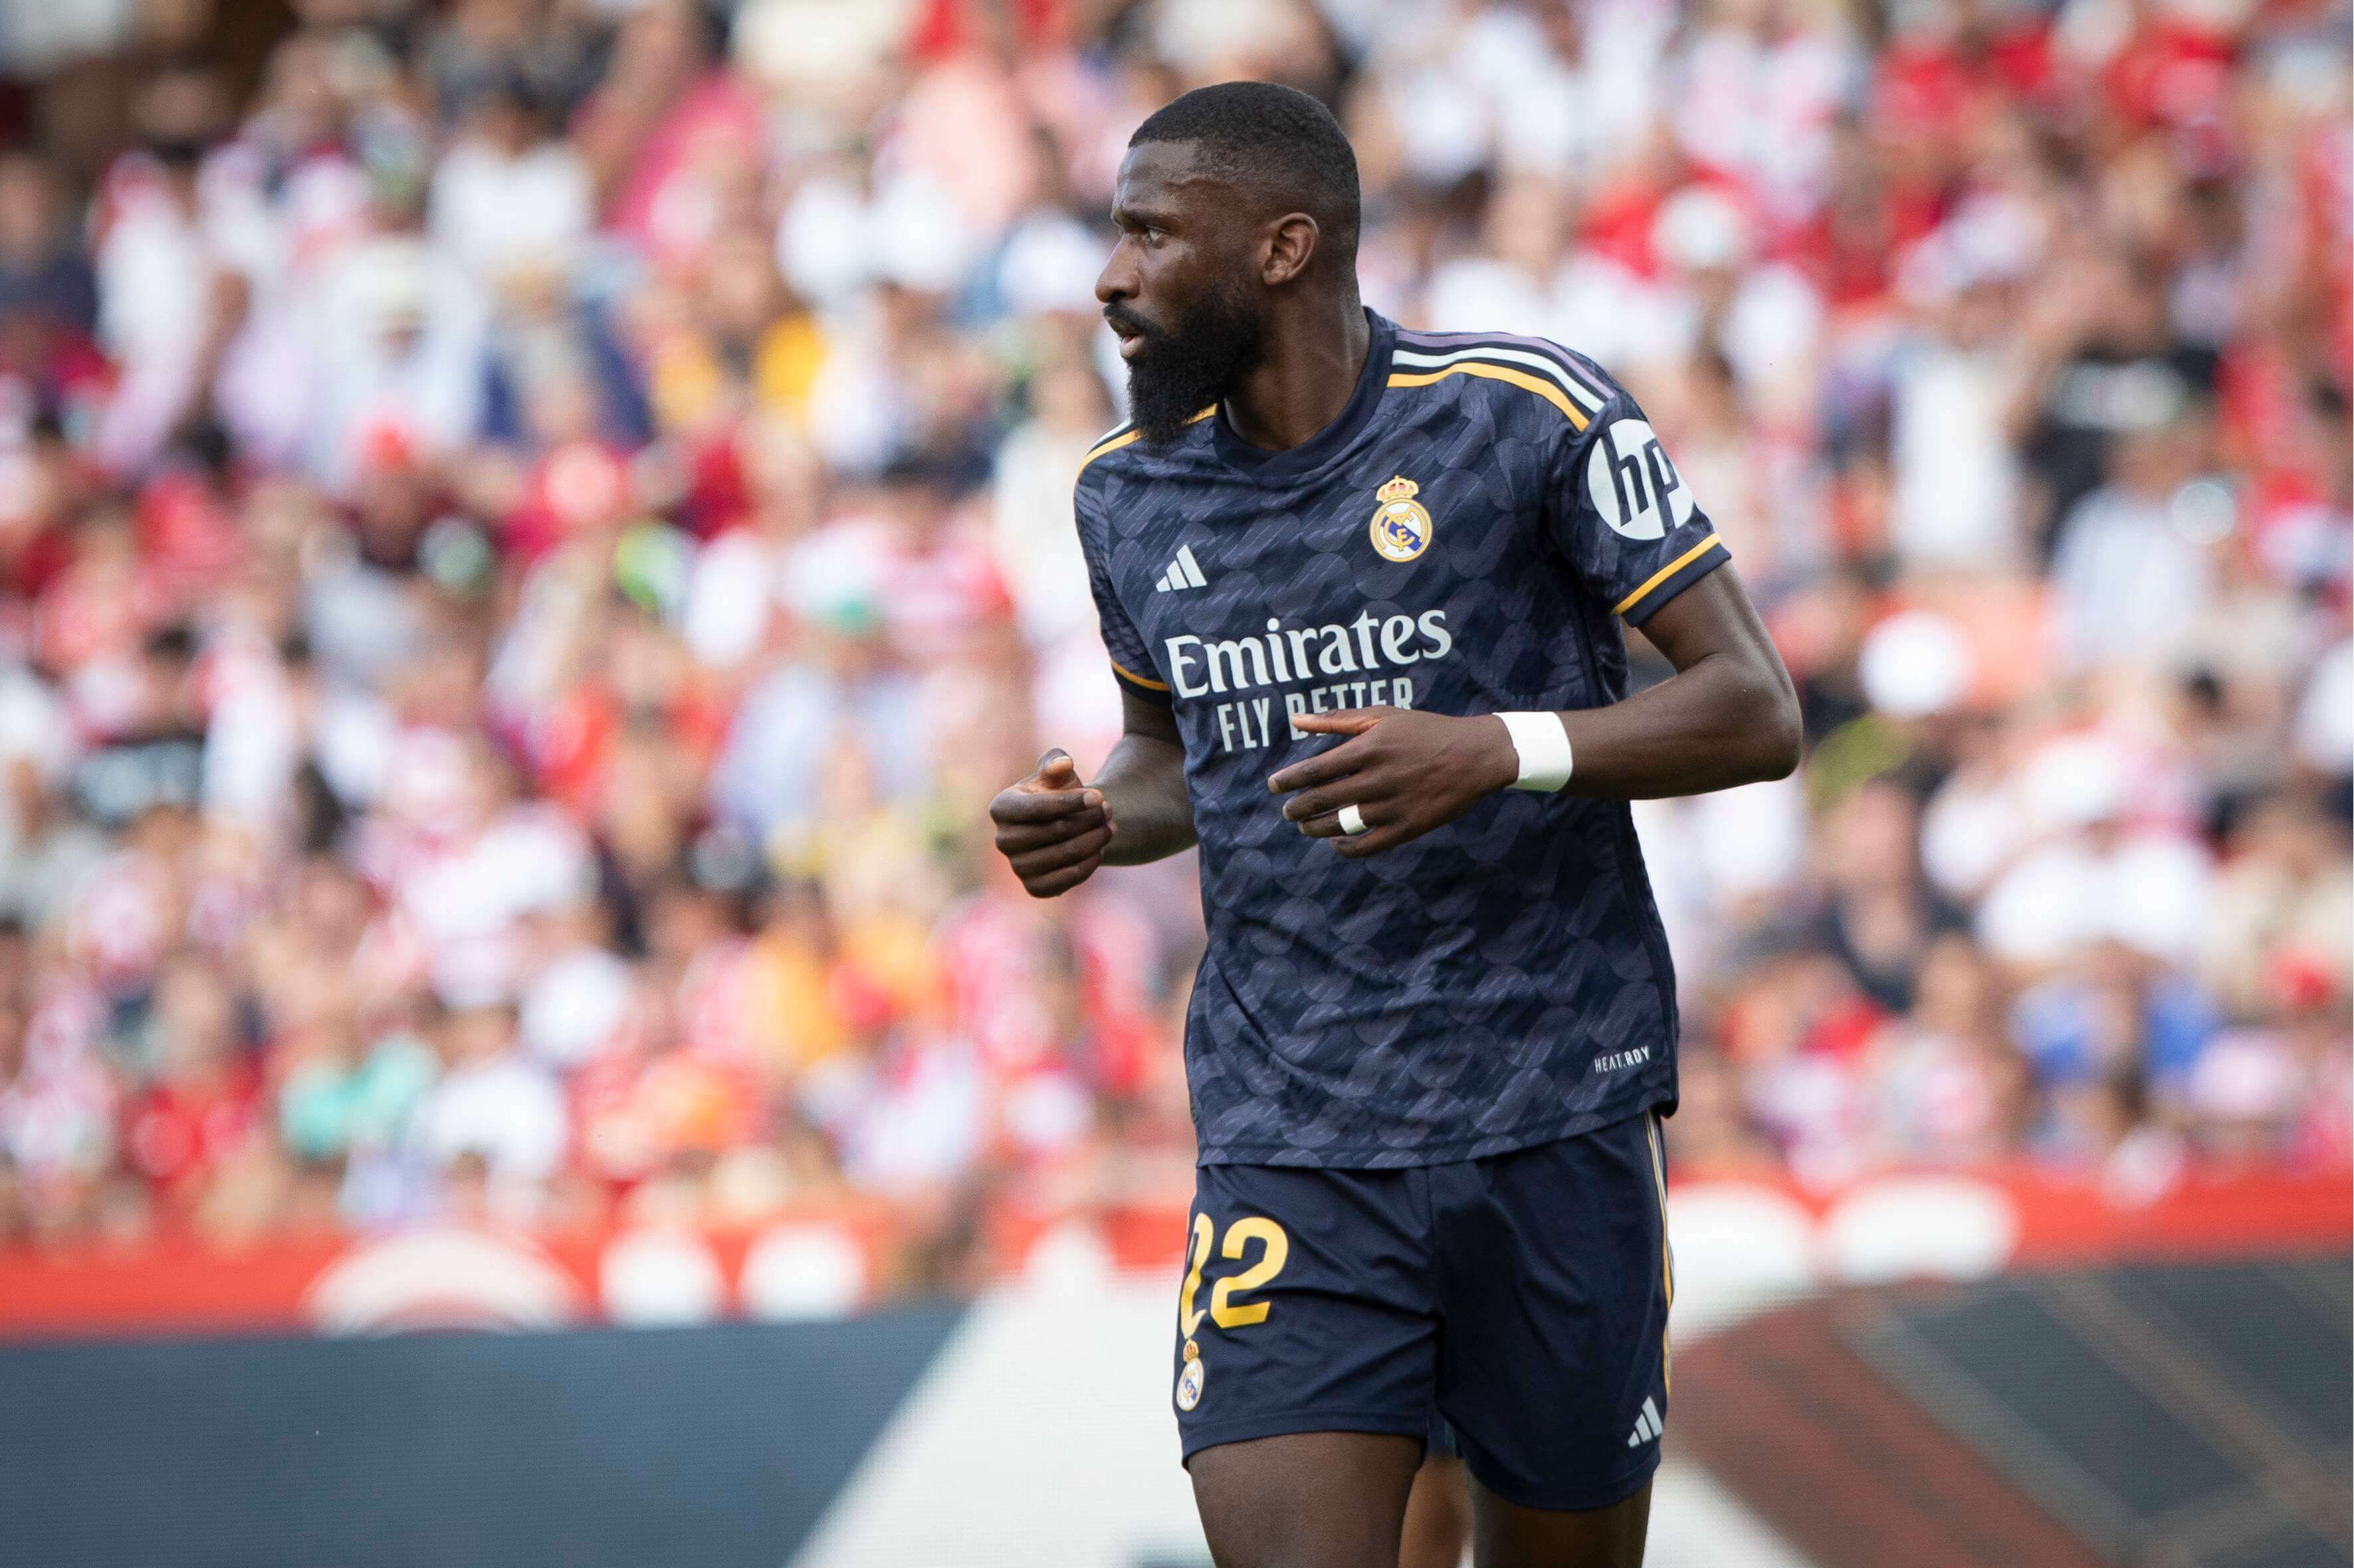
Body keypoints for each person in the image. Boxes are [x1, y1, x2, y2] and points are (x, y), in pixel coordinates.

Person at [988, 83, 1798, 1567]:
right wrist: (1100, 813)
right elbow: (1179, 758)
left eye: (1150, 233)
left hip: (1552, 1108)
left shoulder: (1523, 414)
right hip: (1292, 1135)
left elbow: (1755, 708)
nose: (1108, 275)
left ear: (1284, 246)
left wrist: (1497, 751)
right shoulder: (1126, 494)